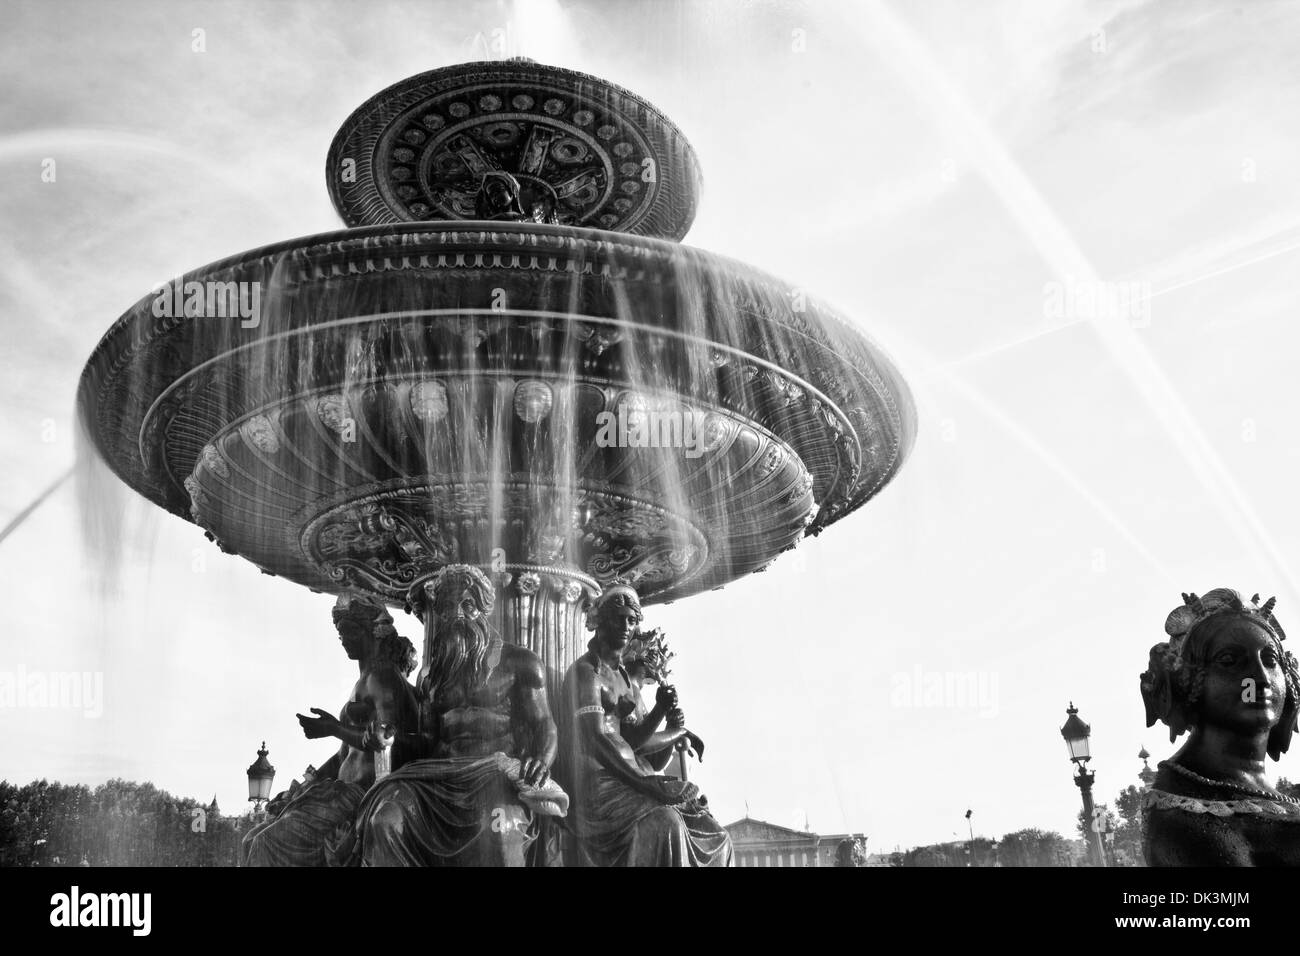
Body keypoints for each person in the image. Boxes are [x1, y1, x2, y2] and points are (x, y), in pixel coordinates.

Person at [345, 565, 566, 866]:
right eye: (447, 608)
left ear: (483, 608)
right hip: (435, 778)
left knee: (493, 830)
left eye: (468, 605)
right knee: (384, 819)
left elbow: (544, 724)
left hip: (493, 772)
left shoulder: (519, 663)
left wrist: (542, 759)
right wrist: (387, 738)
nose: (457, 615)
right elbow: (425, 742)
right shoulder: (430, 678)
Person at [559, 585, 732, 866]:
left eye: (632, 620)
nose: (627, 626)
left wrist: (662, 713)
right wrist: (647, 784)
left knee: (715, 834)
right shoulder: (586, 672)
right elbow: (594, 737)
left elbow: (643, 749)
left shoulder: (625, 680)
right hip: (598, 785)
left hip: (631, 780)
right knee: (666, 824)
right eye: (619, 618)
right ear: (601, 621)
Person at [242, 595, 417, 866]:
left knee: (268, 841)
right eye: (339, 631)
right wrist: (304, 785)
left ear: (374, 631)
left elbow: (386, 740)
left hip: (361, 793)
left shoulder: (383, 677)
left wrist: (334, 728)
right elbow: (342, 757)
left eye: (348, 629)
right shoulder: (362, 682)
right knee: (251, 838)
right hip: (335, 791)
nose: (342, 638)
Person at [1140, 588, 1300, 865]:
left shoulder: (1265, 795)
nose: (1259, 680)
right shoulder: (1184, 815)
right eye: (1229, 661)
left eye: (1270, 660)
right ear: (1188, 680)